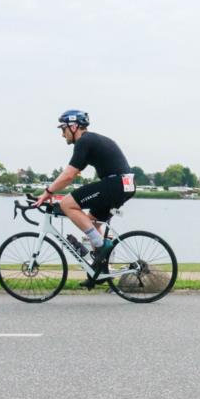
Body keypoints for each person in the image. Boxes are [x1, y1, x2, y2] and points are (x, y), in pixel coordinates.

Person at [35, 110, 136, 283]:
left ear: (74, 127)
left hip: (116, 184)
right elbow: (72, 175)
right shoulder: (93, 140)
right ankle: (100, 271)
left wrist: (48, 192)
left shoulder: (84, 141)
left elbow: (68, 175)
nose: (62, 134)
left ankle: (101, 246)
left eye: (63, 129)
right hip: (125, 185)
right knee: (92, 221)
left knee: (68, 204)